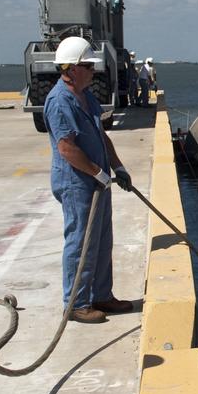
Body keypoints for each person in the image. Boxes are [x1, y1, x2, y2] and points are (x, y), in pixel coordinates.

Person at [43, 36, 134, 324]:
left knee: (102, 239)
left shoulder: (87, 96)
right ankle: (76, 303)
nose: (93, 71)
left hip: (97, 181)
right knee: (81, 241)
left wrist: (118, 167)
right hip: (77, 183)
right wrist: (96, 172)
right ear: (70, 69)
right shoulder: (59, 101)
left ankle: (101, 295)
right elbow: (67, 148)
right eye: (87, 66)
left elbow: (100, 135)